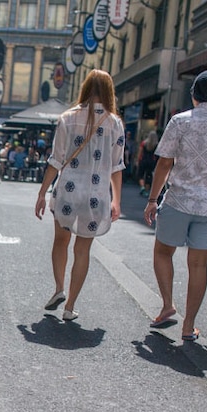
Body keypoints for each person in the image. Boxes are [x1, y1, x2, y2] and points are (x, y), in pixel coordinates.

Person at [143, 69, 207, 341]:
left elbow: (164, 162)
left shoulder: (180, 121)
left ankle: (167, 305)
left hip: (178, 199)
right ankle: (188, 326)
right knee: (199, 266)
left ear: (194, 95)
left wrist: (153, 199)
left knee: (163, 252)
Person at [34, 69, 125, 321]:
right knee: (83, 250)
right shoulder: (115, 123)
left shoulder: (68, 117)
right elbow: (117, 167)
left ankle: (59, 289)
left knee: (60, 241)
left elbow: (55, 159)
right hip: (96, 195)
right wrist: (117, 200)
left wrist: (42, 193)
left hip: (68, 191)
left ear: (84, 88)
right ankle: (70, 307)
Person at [137, 131, 159, 196]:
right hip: (152, 161)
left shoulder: (144, 143)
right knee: (149, 176)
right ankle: (146, 191)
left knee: (140, 174)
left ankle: (142, 187)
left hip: (143, 160)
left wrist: (138, 160)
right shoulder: (156, 145)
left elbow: (140, 152)